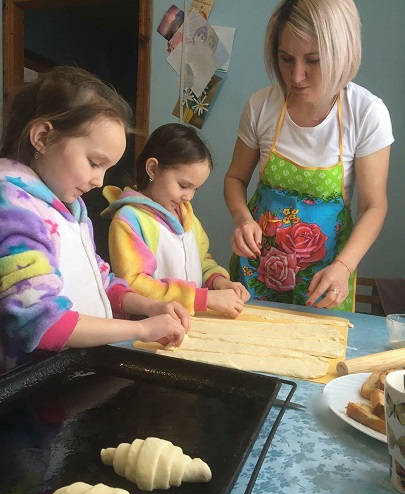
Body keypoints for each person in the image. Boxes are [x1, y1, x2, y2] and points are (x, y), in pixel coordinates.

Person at [0, 66, 190, 374]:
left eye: (106, 169)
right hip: (30, 385)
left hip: (71, 372)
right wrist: (141, 329)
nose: (99, 181)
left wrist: (150, 307)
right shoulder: (13, 206)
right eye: (94, 163)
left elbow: (102, 282)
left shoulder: (71, 210)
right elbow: (39, 322)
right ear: (43, 137)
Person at [224, 0, 394, 312]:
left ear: (342, 54)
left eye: (313, 60)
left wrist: (343, 267)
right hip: (257, 272)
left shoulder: (366, 113)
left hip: (326, 280)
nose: (296, 76)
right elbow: (235, 178)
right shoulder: (261, 106)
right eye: (286, 59)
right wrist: (242, 219)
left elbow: (374, 206)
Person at [103, 122, 250, 317]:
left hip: (185, 323)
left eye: (195, 189)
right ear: (153, 169)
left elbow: (203, 262)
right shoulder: (130, 220)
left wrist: (220, 282)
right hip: (149, 326)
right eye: (183, 186)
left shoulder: (187, 217)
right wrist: (201, 298)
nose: (188, 196)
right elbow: (134, 284)